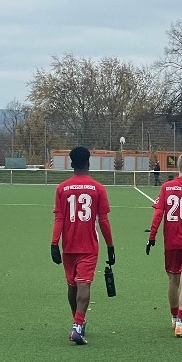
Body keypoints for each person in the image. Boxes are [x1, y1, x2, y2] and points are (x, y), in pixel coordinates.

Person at [50, 146, 114, 345]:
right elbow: (103, 221)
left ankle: (77, 321)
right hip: (89, 246)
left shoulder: (62, 188)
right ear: (88, 163)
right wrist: (110, 245)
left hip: (68, 245)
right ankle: (77, 327)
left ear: (71, 164)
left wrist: (54, 243)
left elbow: (59, 218)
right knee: (83, 284)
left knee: (72, 286)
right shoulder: (98, 188)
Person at [146, 153, 182, 337]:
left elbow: (158, 214)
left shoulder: (166, 187)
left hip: (171, 242)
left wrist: (152, 236)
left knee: (173, 281)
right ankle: (180, 322)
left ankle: (173, 317)